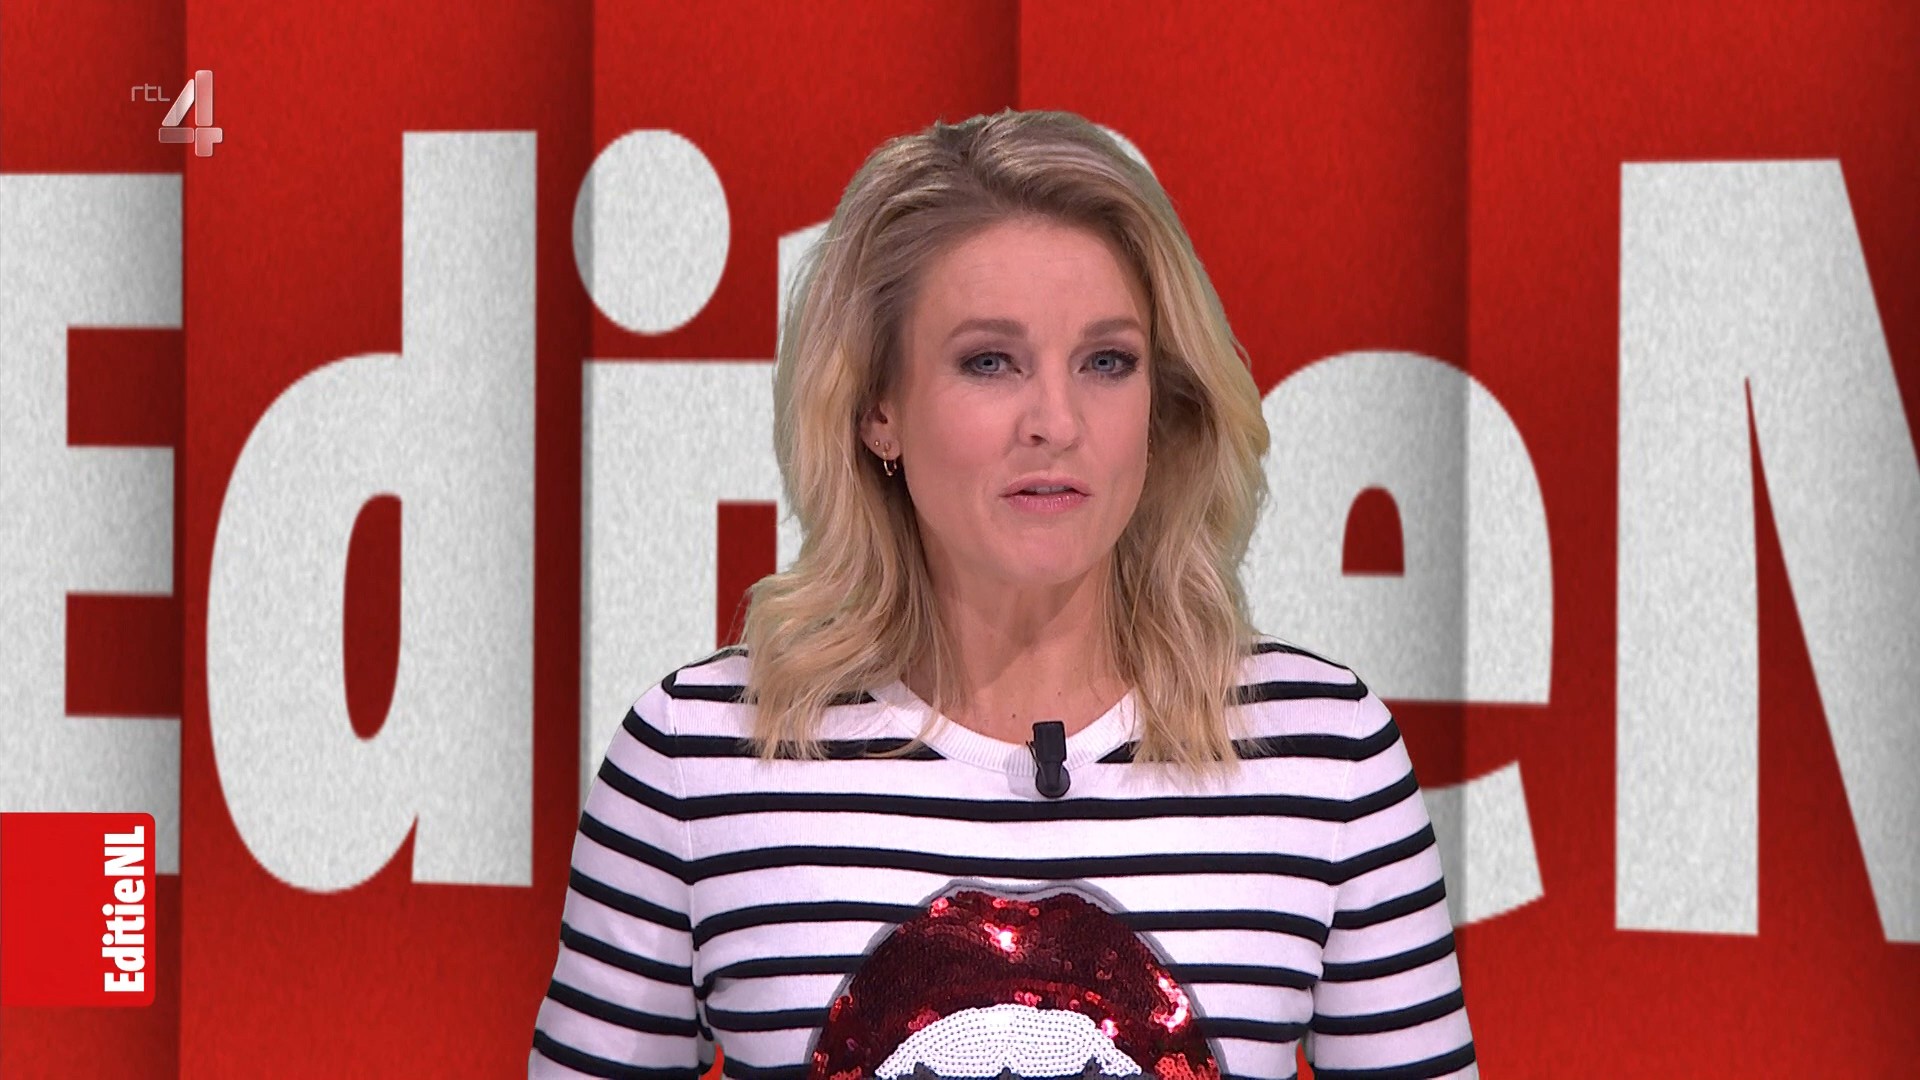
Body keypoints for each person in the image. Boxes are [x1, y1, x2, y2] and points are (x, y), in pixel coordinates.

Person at [530, 108, 1475, 1080]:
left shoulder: (1326, 755)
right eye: (990, 361)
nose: (1056, 421)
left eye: (1107, 362)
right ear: (878, 409)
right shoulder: (697, 757)